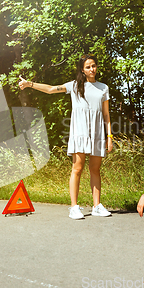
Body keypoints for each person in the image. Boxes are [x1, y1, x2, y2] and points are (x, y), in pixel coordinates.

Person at [19, 54, 113, 219]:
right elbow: (50, 89)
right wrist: (29, 84)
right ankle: (74, 207)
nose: (92, 69)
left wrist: (109, 136)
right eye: (88, 67)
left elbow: (106, 115)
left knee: (95, 170)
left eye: (94, 66)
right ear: (82, 70)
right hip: (80, 133)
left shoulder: (103, 87)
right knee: (77, 168)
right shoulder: (75, 86)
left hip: (98, 133)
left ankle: (97, 206)